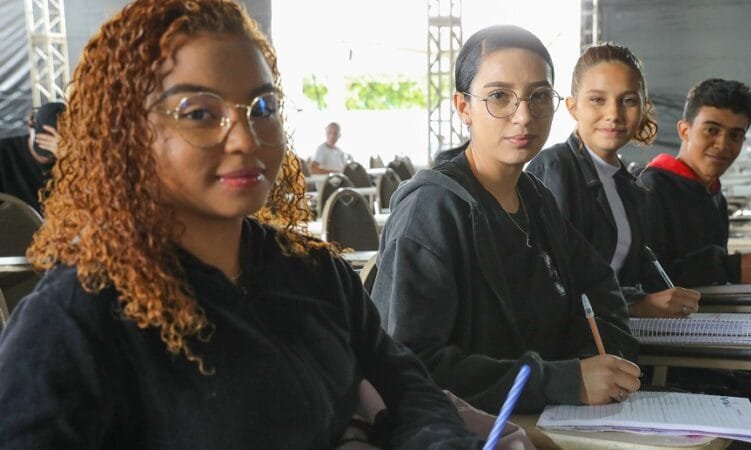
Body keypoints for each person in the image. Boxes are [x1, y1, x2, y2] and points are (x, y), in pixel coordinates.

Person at [0, 1, 484, 448]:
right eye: (200, 113)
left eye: (263, 108)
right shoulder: (75, 319)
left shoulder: (314, 274)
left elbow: (408, 390)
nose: (245, 137)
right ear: (131, 135)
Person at [371, 24, 640, 416]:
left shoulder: (536, 199)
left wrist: (601, 361)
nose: (524, 116)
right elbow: (410, 366)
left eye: (539, 96)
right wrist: (563, 380)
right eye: (500, 96)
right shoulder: (431, 211)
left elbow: (600, 288)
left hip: (556, 421)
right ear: (463, 107)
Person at [526, 43, 701, 318]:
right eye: (597, 99)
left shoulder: (630, 185)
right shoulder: (554, 168)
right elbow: (552, 282)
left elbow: (630, 275)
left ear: (644, 108)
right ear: (573, 107)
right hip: (572, 348)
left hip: (615, 334)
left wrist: (668, 298)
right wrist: (636, 303)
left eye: (628, 101)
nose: (614, 114)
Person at [639, 78, 751, 287]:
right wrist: (730, 268)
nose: (723, 144)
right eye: (711, 130)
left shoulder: (715, 195)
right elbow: (644, 280)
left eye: (735, 135)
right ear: (684, 130)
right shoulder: (650, 189)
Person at [0, 101, 65, 212]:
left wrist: (68, 159)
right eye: (45, 134)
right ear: (30, 124)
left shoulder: (72, 166)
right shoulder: (4, 154)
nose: (49, 143)